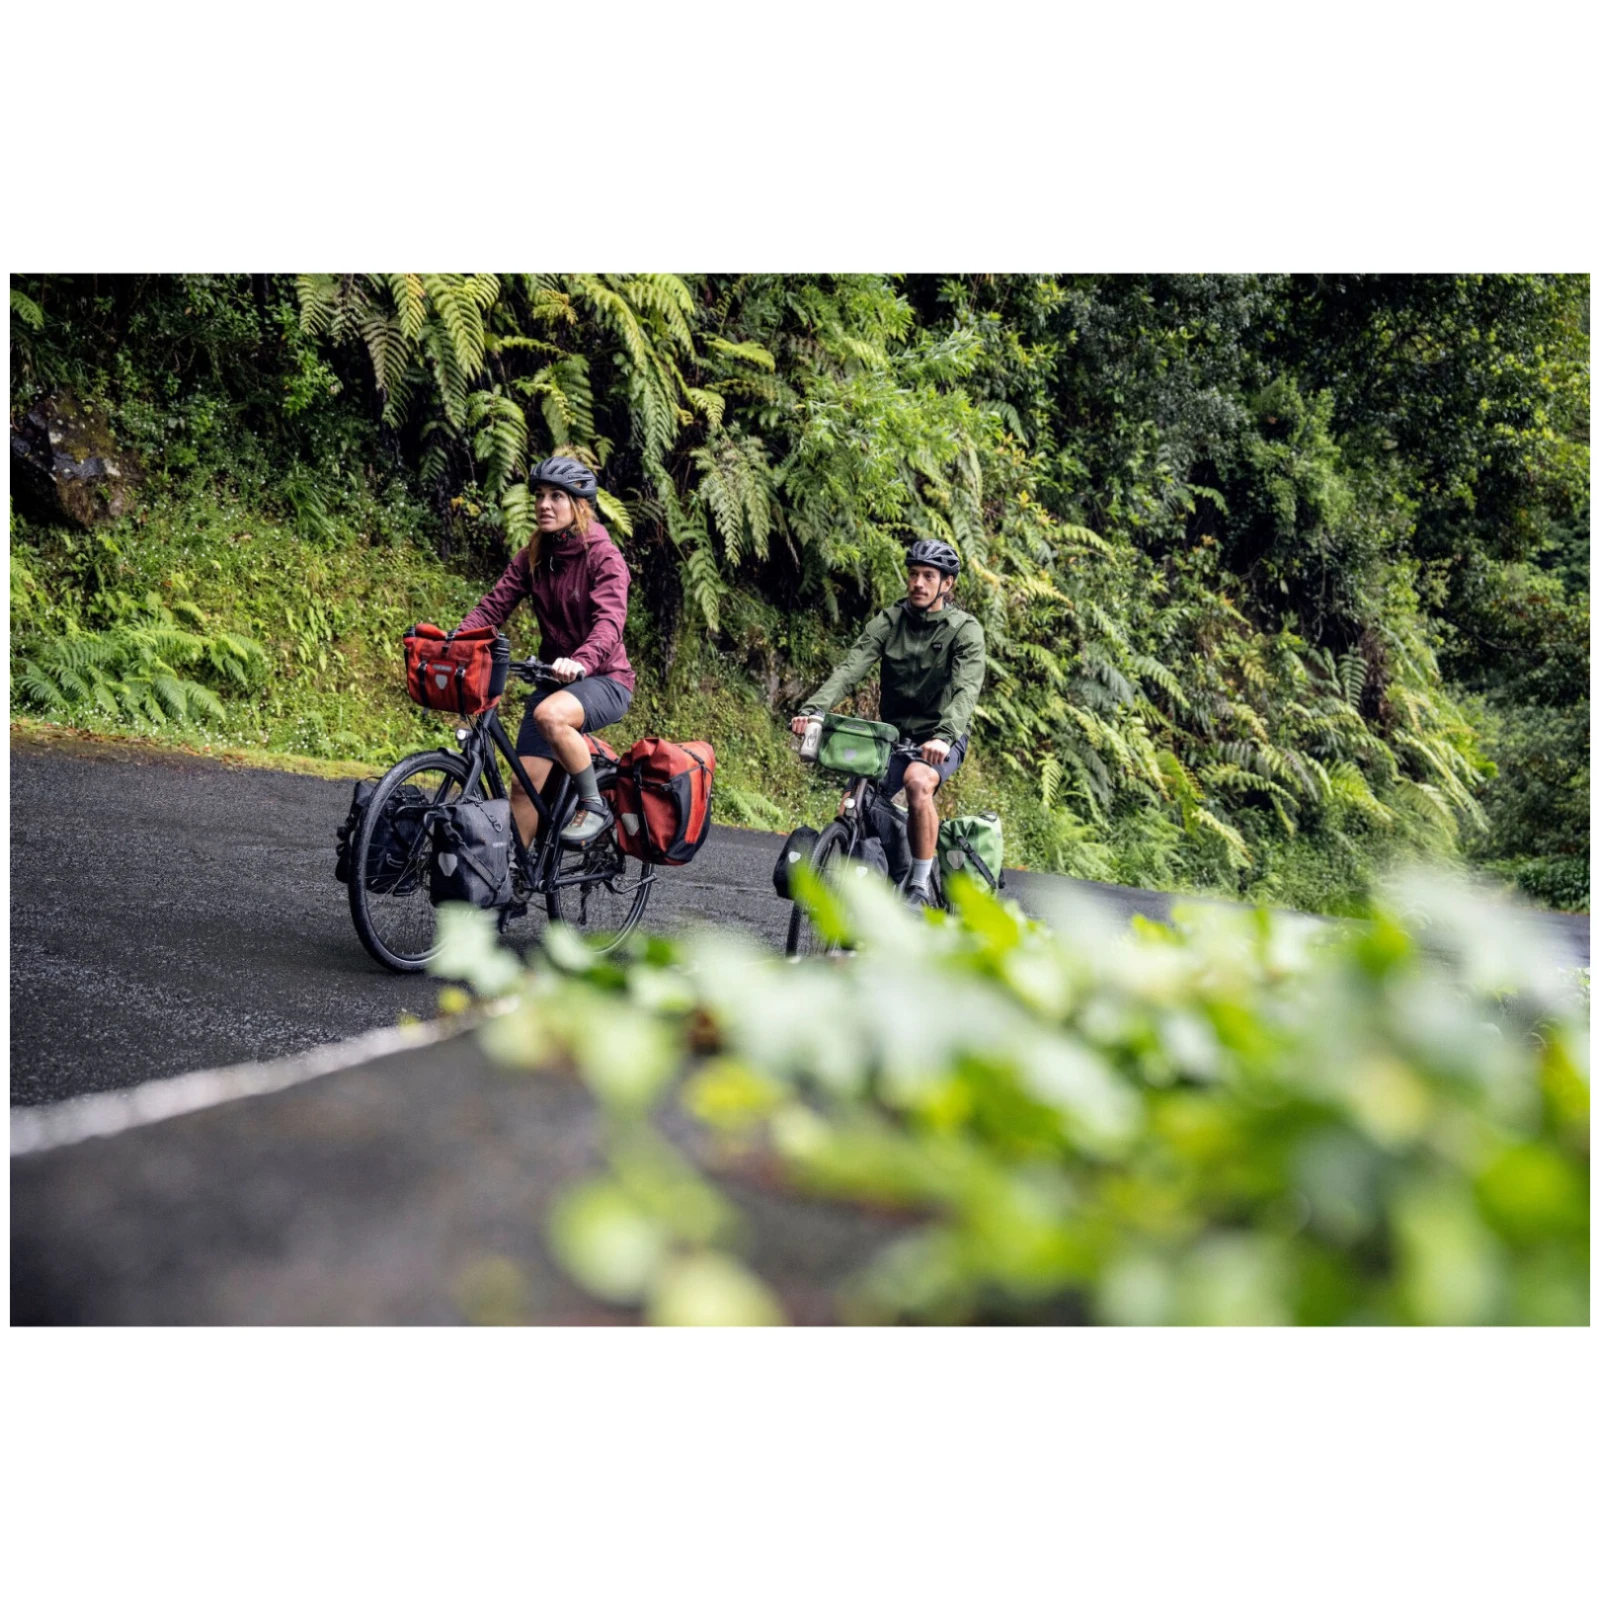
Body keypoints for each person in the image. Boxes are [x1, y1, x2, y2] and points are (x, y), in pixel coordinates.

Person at [790, 539, 986, 907]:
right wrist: (815, 709)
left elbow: (966, 689)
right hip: (892, 735)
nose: (918, 583)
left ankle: (918, 885)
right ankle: (864, 891)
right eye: (913, 574)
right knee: (853, 803)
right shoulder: (890, 621)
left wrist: (944, 737)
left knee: (918, 781)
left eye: (928, 576)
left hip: (942, 735)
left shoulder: (963, 629)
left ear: (947, 583)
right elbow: (852, 667)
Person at [458, 456, 633, 847]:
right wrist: (454, 641)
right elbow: (492, 608)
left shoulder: (604, 557)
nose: (544, 504)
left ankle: (594, 805)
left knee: (550, 715)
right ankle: (514, 874)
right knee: (523, 786)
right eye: (539, 495)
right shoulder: (534, 555)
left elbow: (609, 624)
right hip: (555, 679)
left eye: (557, 496)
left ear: (579, 505)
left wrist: (581, 661)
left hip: (605, 679)